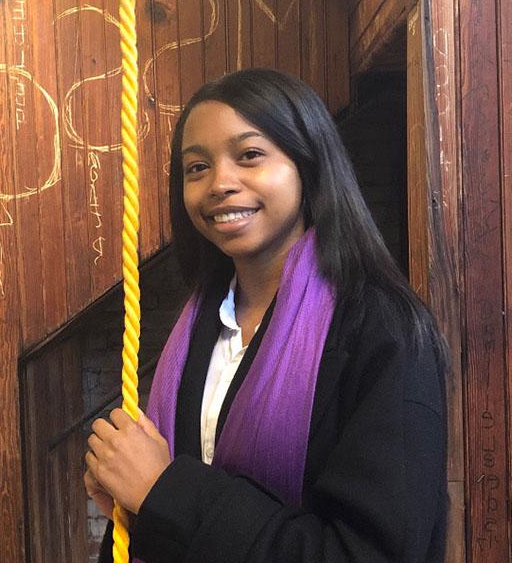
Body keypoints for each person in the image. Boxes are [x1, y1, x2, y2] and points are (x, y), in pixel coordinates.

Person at [84, 68, 449, 563]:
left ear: (307, 164)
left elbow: (369, 552)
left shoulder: (384, 330)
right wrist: (132, 499)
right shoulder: (195, 334)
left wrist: (164, 490)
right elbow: (165, 519)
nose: (219, 184)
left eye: (250, 155)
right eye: (196, 168)